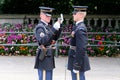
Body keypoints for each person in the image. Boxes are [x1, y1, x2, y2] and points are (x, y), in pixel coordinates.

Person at [34, 6, 62, 80]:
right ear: (41, 15)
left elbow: (54, 38)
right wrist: (54, 28)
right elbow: (43, 41)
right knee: (44, 77)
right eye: (46, 15)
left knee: (48, 77)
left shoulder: (47, 27)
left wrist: (59, 27)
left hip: (48, 56)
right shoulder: (40, 27)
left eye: (49, 16)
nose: (49, 17)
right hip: (44, 56)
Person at [67, 6, 91, 80]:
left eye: (75, 13)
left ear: (81, 15)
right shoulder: (77, 26)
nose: (73, 15)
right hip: (74, 58)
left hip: (77, 60)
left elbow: (81, 48)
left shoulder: (80, 29)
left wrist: (77, 65)